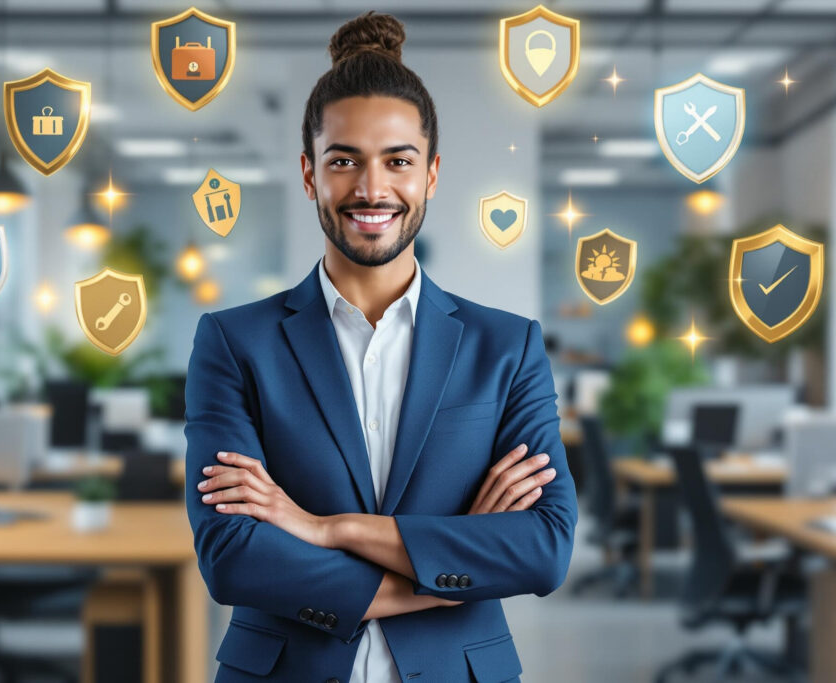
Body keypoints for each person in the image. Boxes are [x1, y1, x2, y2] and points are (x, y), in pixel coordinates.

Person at [184, 11, 577, 682]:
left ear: (430, 174)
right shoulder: (233, 342)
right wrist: (451, 569)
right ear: (310, 174)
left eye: (398, 160)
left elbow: (542, 548)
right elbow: (233, 555)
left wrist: (320, 528)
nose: (371, 189)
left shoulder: (506, 347)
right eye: (344, 161)